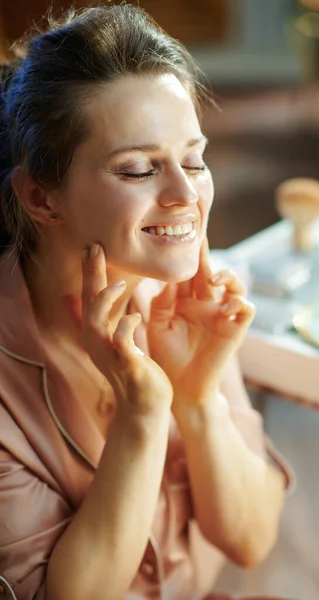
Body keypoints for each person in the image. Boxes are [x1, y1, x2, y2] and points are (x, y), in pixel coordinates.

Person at [0, 5, 294, 600]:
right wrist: (142, 414)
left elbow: (251, 539)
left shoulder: (181, 305)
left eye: (194, 159)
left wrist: (198, 396)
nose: (186, 195)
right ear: (40, 196)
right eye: (137, 169)